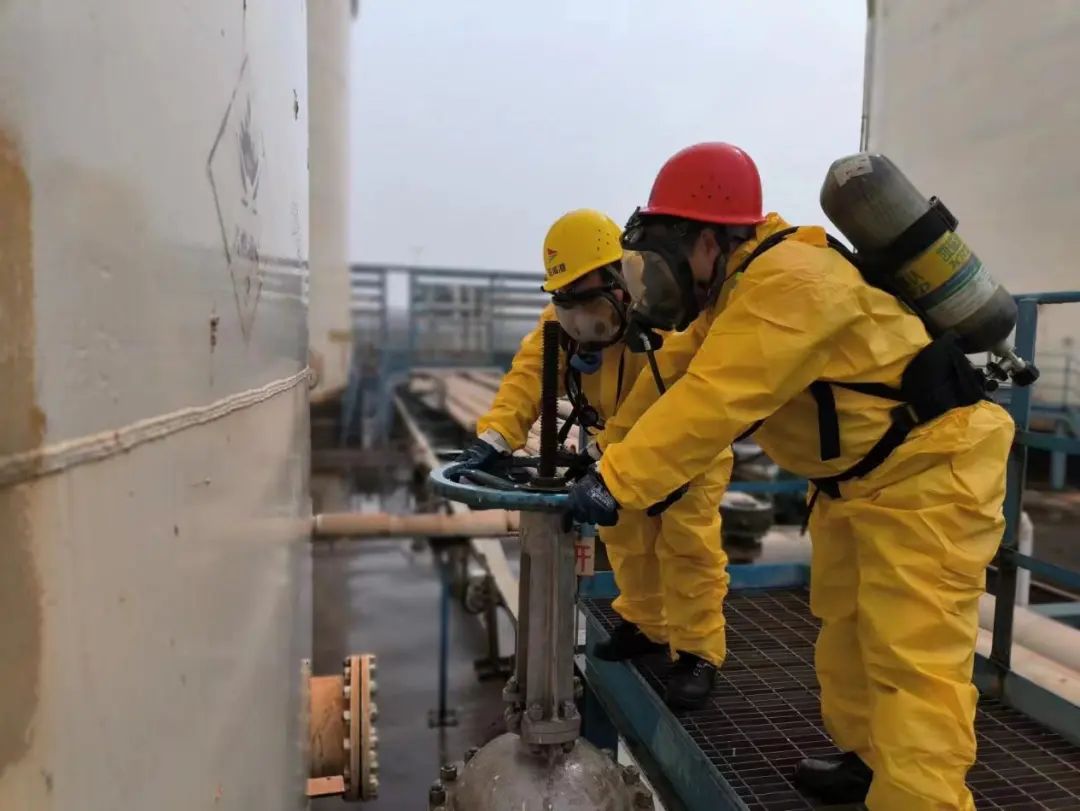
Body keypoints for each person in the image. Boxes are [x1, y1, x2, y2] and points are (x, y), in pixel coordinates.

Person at [565, 144, 1013, 810]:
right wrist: (609, 451)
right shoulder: (738, 293)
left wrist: (617, 481)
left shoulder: (792, 283)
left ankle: (922, 798)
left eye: (667, 255)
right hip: (859, 480)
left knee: (913, 662)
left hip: (929, 473)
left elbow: (714, 399)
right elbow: (670, 378)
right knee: (848, 633)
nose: (661, 278)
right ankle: (869, 761)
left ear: (709, 241)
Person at [453, 208, 734, 708]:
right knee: (626, 538)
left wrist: (604, 454)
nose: (584, 321)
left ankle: (698, 653)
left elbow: (662, 400)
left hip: (683, 447)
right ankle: (647, 625)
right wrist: (495, 437)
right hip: (616, 451)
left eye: (590, 300)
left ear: (620, 280)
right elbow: (529, 376)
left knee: (686, 545)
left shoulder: (667, 319)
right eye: (570, 304)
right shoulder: (564, 323)